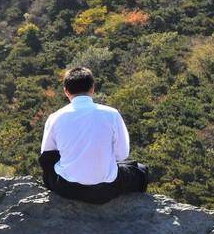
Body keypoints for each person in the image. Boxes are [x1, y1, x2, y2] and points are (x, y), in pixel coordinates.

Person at [40, 66, 149, 204]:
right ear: (92, 88)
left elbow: (46, 154)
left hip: (67, 188)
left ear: (66, 91)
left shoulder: (55, 117)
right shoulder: (111, 114)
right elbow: (122, 154)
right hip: (106, 189)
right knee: (140, 170)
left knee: (48, 160)